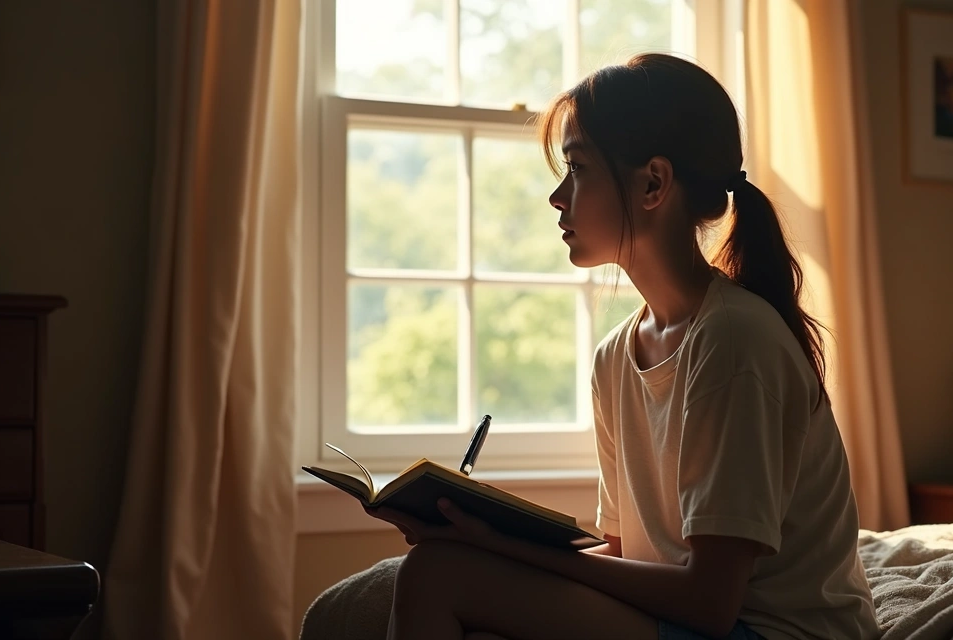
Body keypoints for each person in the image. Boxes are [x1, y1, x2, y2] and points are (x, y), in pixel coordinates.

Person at [366, 53, 879, 640]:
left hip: (776, 632)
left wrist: (505, 548)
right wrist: (485, 539)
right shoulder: (615, 356)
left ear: (653, 183)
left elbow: (709, 602)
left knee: (437, 576)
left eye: (578, 168)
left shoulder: (734, 341)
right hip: (695, 621)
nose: (557, 197)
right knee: (447, 569)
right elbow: (623, 553)